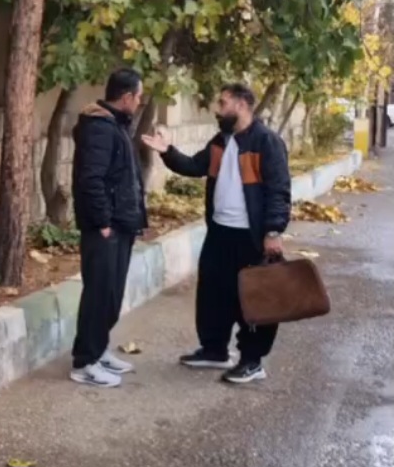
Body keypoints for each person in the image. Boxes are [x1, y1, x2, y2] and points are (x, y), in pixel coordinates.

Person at [141, 83, 291, 385]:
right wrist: (167, 152)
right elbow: (195, 166)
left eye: (223, 103)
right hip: (220, 231)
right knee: (213, 293)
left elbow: (279, 191)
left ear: (241, 105)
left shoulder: (266, 142)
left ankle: (252, 360)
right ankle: (214, 349)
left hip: (251, 236)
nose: (217, 109)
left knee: (253, 297)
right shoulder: (221, 141)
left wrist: (273, 230)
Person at [69, 68, 149, 388]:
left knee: (111, 295)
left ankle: (98, 350)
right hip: (106, 228)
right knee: (99, 295)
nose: (140, 102)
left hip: (120, 225)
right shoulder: (100, 128)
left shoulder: (116, 125)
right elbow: (91, 180)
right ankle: (84, 362)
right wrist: (102, 222)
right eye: (139, 97)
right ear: (127, 97)